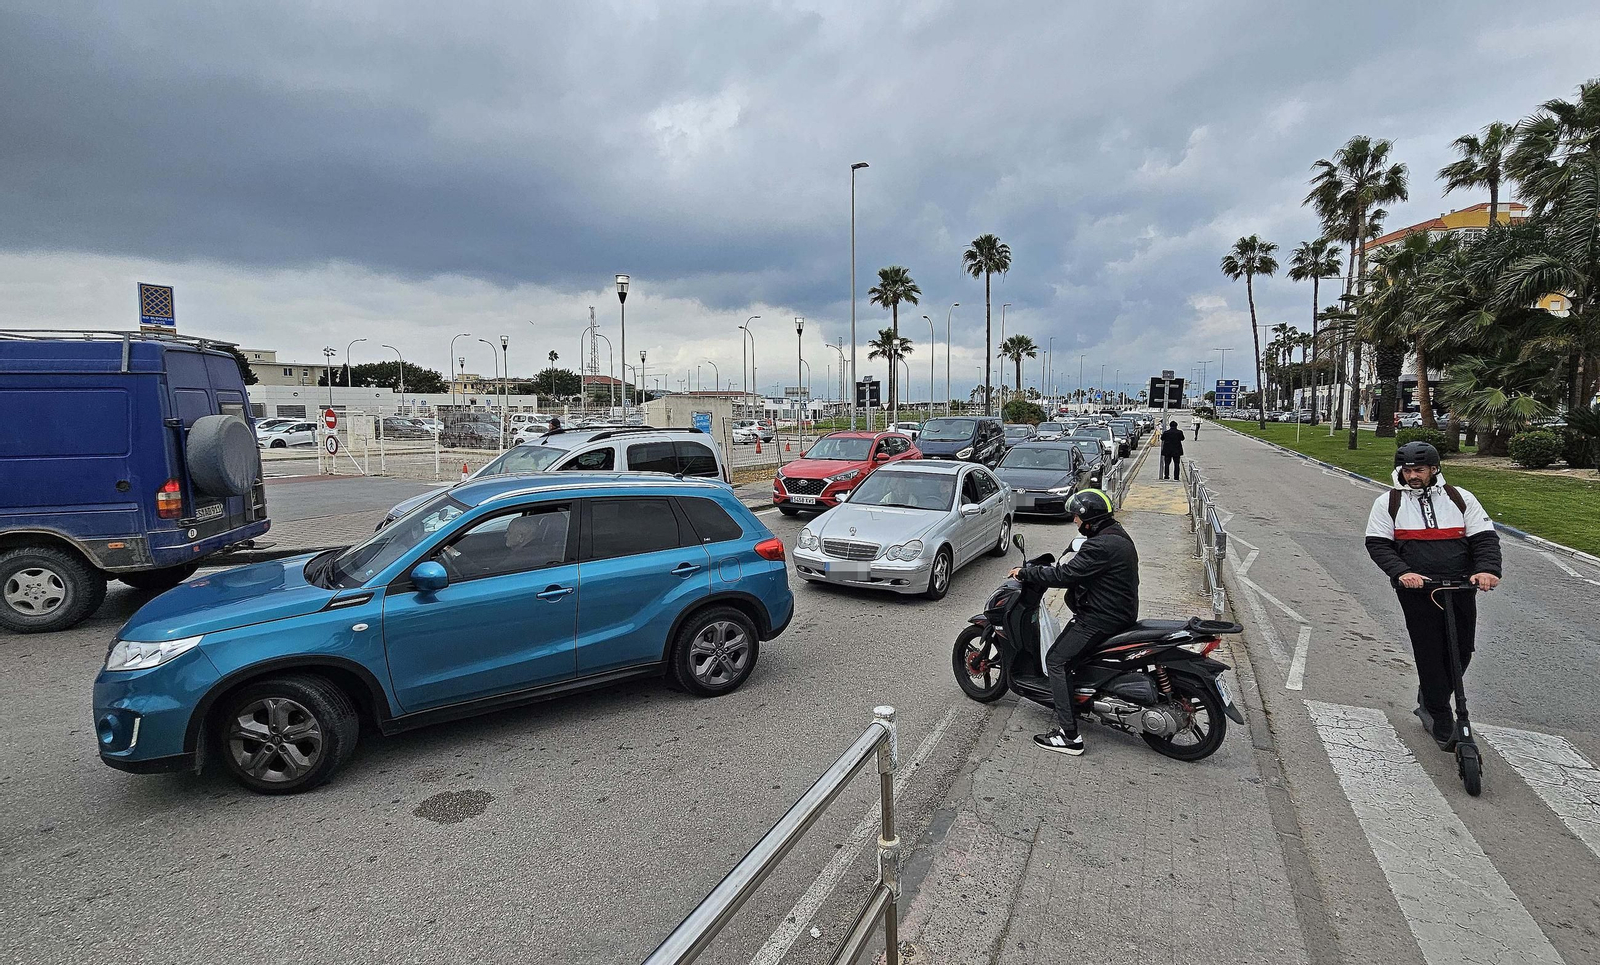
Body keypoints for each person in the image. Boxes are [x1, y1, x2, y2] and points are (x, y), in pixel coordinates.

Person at [1364, 442, 1501, 749]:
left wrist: (1487, 570)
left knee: (1461, 650)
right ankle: (1439, 712)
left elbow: (1484, 539)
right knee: (1429, 652)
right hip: (1418, 590)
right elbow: (1377, 544)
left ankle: (1432, 695)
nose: (1412, 476)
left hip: (1460, 586)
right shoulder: (1389, 502)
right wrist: (1401, 573)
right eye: (1407, 470)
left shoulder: (1460, 498)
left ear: (1434, 469)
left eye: (1419, 470)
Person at [1008, 489, 1139, 755]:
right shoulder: (1116, 536)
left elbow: (1064, 575)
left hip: (1101, 617)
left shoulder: (1099, 546)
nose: (1074, 522)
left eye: (1077, 518)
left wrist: (1026, 573)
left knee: (1056, 660)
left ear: (1089, 519)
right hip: (1119, 611)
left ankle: (1069, 736)